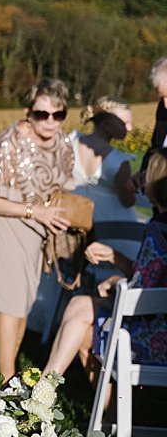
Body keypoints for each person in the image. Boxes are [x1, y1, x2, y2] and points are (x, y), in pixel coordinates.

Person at [0, 78, 75, 380]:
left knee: (25, 300)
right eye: (42, 114)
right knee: (12, 302)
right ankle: (7, 379)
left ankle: (11, 370)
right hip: (5, 221)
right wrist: (35, 211)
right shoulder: (10, 141)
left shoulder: (64, 142)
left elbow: (65, 185)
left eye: (59, 114)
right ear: (28, 112)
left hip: (38, 226)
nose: (51, 122)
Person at [44, 153, 167, 377]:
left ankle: (41, 393)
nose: (143, 180)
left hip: (154, 336)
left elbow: (145, 290)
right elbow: (153, 275)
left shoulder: (159, 228)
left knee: (79, 309)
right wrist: (114, 257)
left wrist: (117, 285)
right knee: (80, 325)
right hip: (158, 324)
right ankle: (106, 411)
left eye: (147, 175)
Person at [71, 97, 139, 225]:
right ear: (106, 124)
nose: (130, 128)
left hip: (76, 221)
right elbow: (127, 201)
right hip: (113, 227)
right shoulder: (119, 162)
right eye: (124, 123)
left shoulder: (71, 144)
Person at [138, 56, 167, 183]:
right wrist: (143, 174)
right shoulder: (162, 110)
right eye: (162, 98)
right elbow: (156, 146)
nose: (165, 104)